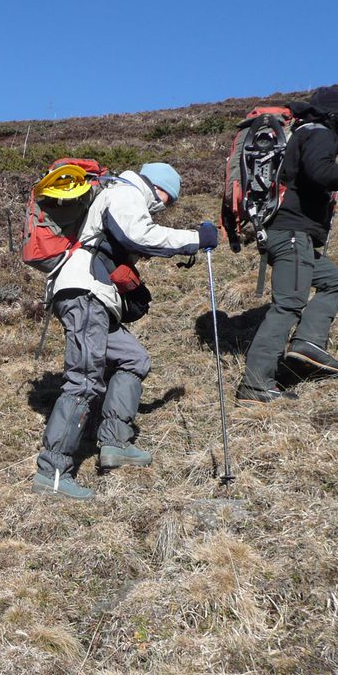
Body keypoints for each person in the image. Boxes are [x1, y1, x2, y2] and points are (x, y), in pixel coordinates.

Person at [33, 162, 218, 500]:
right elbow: (139, 236)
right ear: (160, 190)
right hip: (86, 293)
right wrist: (195, 239)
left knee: (134, 358)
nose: (166, 206)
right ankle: (52, 473)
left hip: (91, 295)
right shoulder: (126, 193)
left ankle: (115, 443)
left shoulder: (118, 193)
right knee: (84, 380)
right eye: (169, 199)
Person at [236, 86, 338, 404]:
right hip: (292, 234)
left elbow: (310, 167)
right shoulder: (318, 133)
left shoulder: (305, 131)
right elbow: (321, 172)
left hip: (291, 236)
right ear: (337, 115)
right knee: (288, 305)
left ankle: (307, 344)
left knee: (337, 282)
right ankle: (255, 386)